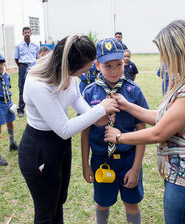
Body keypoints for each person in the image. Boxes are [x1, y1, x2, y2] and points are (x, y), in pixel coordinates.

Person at [104, 20, 185, 224]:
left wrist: (119, 137)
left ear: (179, 51)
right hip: (180, 175)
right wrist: (127, 105)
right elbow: (163, 117)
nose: (163, 59)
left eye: (164, 52)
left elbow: (159, 132)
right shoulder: (183, 82)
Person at [18, 35, 119, 224]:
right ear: (69, 66)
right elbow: (64, 128)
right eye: (84, 70)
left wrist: (97, 117)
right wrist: (100, 109)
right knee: (46, 211)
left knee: (59, 200)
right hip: (40, 148)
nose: (83, 74)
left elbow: (76, 98)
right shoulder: (38, 83)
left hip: (60, 146)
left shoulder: (67, 72)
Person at [81, 38, 148, 224]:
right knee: (102, 204)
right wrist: (86, 164)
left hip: (128, 159)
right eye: (107, 65)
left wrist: (135, 168)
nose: (114, 70)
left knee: (131, 203)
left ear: (124, 62)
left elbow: (141, 131)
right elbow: (84, 132)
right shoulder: (89, 93)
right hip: (101, 160)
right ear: (96, 65)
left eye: (119, 64)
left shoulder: (133, 91)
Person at [14, 26, 40, 117]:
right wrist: (22, 67)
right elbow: (16, 58)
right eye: (25, 33)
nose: (27, 34)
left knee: (35, 86)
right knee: (22, 88)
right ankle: (21, 110)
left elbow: (37, 57)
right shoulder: (18, 46)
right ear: (22, 34)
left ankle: (37, 108)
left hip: (33, 67)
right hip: (23, 66)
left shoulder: (36, 45)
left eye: (28, 32)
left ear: (31, 34)